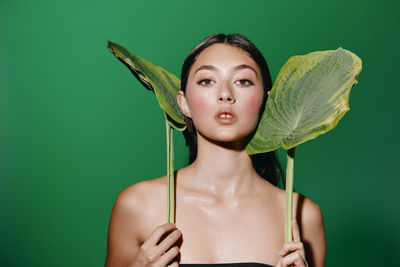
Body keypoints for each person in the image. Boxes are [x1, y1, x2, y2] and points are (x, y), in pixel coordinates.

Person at [105, 33, 326, 267]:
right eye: (206, 81)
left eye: (243, 81)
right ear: (184, 103)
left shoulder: (300, 215)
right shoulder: (137, 205)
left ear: (266, 102)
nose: (225, 94)